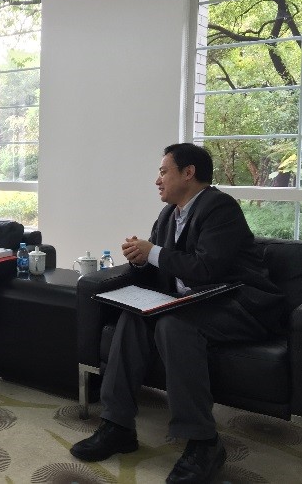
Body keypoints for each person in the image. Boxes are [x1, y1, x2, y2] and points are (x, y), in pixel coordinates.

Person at [70, 143, 284, 484]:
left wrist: (153, 252)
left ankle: (203, 443)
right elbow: (161, 267)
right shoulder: (169, 215)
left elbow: (208, 268)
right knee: (133, 317)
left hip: (240, 304)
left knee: (174, 326)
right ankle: (117, 425)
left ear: (188, 173)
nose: (157, 180)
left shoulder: (219, 207)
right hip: (195, 303)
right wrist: (140, 260)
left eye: (163, 171)